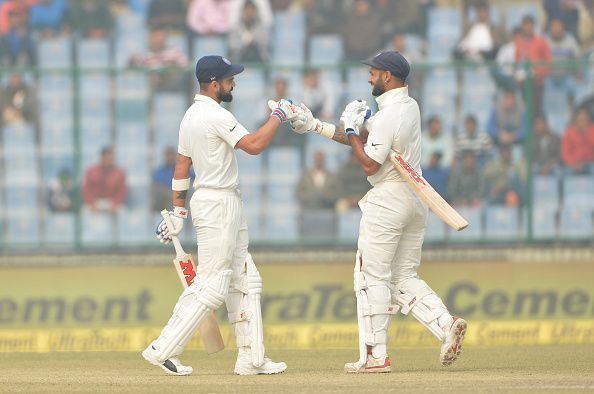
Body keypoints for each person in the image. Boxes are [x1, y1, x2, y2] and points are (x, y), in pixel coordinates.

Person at [289, 51, 467, 372]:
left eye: (373, 73)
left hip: (388, 200)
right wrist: (317, 125)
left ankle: (375, 356)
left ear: (387, 76)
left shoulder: (388, 116)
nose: (369, 78)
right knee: (403, 276)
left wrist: (355, 129)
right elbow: (370, 140)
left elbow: (370, 160)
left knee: (370, 278)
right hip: (414, 201)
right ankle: (445, 323)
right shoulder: (408, 107)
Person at [143, 55, 302, 376]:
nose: (234, 82)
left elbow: (182, 165)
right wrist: (279, 115)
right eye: (229, 78)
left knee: (245, 278)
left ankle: (251, 358)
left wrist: (178, 210)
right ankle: (163, 349)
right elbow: (254, 145)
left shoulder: (190, 116)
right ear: (214, 84)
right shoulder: (215, 115)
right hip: (218, 204)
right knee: (213, 285)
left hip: (220, 201)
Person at [514, 15, 552, 115]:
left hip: (537, 81)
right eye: (525, 25)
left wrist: (539, 72)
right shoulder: (519, 42)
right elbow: (517, 61)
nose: (528, 28)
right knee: (526, 108)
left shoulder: (541, 41)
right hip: (523, 81)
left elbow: (548, 62)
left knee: (536, 109)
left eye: (530, 25)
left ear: (534, 26)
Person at [82, 146, 127, 213]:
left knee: (123, 211)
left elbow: (121, 191)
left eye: (111, 158)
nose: (109, 160)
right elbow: (87, 190)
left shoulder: (119, 172)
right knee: (84, 212)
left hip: (112, 201)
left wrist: (115, 204)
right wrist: (92, 204)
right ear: (102, 157)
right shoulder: (91, 171)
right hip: (95, 201)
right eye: (107, 157)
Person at [151, 146, 195, 212]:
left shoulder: (181, 168)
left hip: (182, 196)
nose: (170, 157)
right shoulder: (160, 171)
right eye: (168, 155)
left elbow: (194, 177)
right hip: (166, 198)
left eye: (172, 155)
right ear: (165, 156)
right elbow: (157, 186)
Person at [560, 108, 594, 173]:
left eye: (585, 119)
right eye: (580, 119)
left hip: (591, 162)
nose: (583, 122)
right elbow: (565, 153)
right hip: (574, 163)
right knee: (563, 171)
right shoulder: (569, 132)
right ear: (576, 120)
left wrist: (587, 132)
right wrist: (574, 163)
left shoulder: (592, 129)